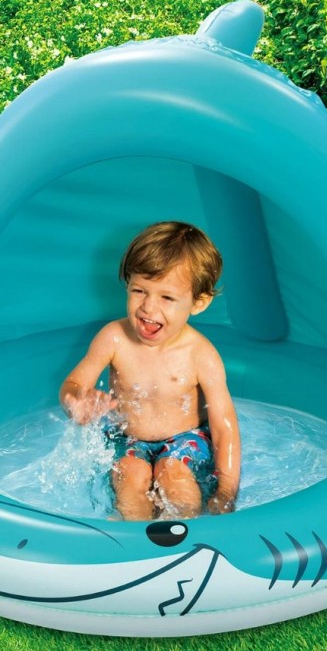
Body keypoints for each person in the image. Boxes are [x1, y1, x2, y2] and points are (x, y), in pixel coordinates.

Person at [59, 221, 241, 521]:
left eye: (167, 297)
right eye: (139, 290)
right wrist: (75, 403)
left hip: (185, 441)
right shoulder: (114, 338)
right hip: (129, 437)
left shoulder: (201, 355)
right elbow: (74, 382)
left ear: (198, 302)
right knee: (131, 475)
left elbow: (225, 426)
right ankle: (134, 544)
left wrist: (226, 492)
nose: (148, 308)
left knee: (174, 475)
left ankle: (182, 538)